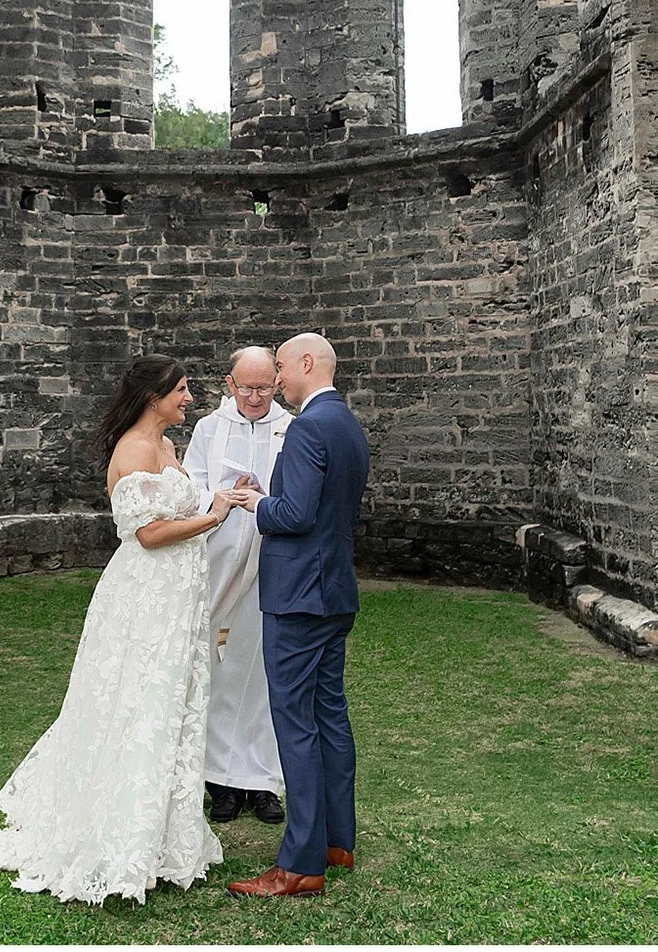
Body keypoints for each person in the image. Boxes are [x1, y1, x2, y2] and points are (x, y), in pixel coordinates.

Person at [0, 355, 236, 904]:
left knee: (171, 703)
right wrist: (214, 515)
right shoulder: (135, 451)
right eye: (182, 390)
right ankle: (118, 838)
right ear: (153, 396)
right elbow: (149, 534)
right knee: (138, 701)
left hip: (176, 596)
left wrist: (214, 504)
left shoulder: (165, 447)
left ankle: (164, 837)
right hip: (147, 599)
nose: (190, 398)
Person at [220, 332, 370, 899]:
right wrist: (275, 493)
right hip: (333, 592)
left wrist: (256, 502)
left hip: (297, 597)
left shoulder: (308, 425)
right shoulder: (346, 423)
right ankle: (337, 840)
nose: (277, 378)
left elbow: (297, 515)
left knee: (296, 723)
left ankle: (302, 862)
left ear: (308, 363)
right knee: (329, 713)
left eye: (281, 366)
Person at [182, 346, 290, 825]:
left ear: (277, 384)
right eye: (245, 387)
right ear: (229, 384)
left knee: (265, 674)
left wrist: (264, 497)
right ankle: (220, 782)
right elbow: (190, 489)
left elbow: (298, 493)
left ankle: (263, 781)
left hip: (271, 566)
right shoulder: (209, 428)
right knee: (218, 671)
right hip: (219, 563)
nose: (253, 396)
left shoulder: (291, 428)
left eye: (263, 387)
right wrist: (221, 495)